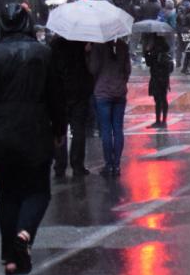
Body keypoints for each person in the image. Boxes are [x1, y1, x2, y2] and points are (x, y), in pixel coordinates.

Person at [0, 3, 66, 275]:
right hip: (34, 132)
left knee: (7, 195)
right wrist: (59, 129)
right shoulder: (43, 54)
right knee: (37, 191)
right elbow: (56, 97)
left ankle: (10, 256)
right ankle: (24, 234)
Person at [49, 30, 94, 177]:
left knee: (59, 129)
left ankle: (60, 165)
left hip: (59, 91)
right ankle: (77, 165)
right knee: (78, 129)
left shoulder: (54, 45)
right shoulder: (80, 44)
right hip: (78, 91)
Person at [87, 37, 132, 177]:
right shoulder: (123, 46)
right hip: (119, 92)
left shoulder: (98, 47)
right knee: (118, 129)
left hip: (103, 93)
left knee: (106, 130)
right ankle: (117, 165)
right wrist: (121, 81)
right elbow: (127, 70)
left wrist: (88, 54)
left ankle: (109, 164)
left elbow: (93, 69)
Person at [146, 37, 174, 129]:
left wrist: (147, 52)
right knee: (163, 99)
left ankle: (159, 120)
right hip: (164, 79)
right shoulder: (167, 55)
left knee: (158, 100)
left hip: (156, 79)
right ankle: (163, 121)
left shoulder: (155, 54)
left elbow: (148, 63)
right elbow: (170, 69)